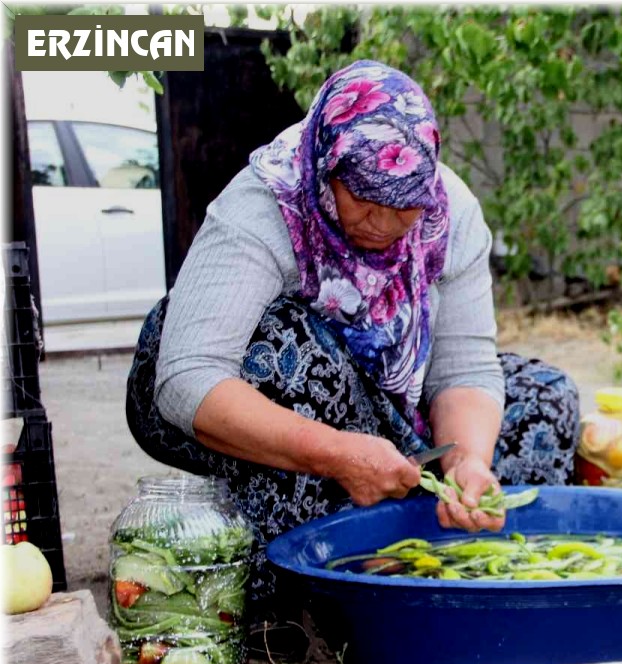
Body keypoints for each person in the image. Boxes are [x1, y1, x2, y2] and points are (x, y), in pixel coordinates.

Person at [125, 61, 580, 625]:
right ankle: (300, 593)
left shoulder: (450, 213)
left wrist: (467, 460)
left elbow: (465, 365)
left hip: (380, 406)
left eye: (404, 206)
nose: (385, 224)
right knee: (295, 354)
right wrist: (337, 455)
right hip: (224, 398)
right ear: (326, 168)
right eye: (363, 198)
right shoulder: (264, 206)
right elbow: (187, 378)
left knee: (547, 399)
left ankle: (443, 561)